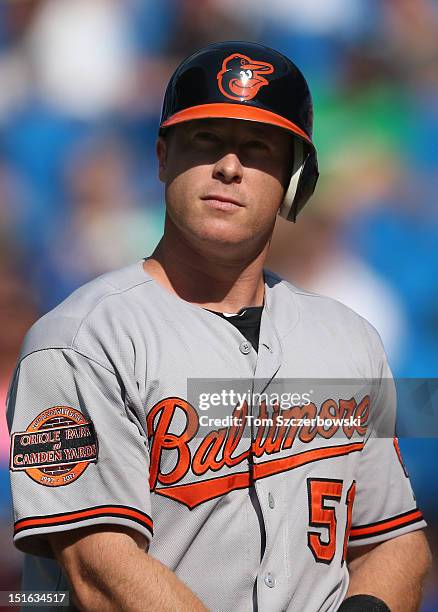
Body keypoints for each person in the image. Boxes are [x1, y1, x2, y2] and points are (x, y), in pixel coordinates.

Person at [7, 41, 431, 612]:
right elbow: (100, 570)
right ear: (161, 158)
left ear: (291, 178)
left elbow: (396, 539)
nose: (229, 166)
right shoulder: (80, 343)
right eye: (205, 140)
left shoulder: (349, 340)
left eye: (257, 148)